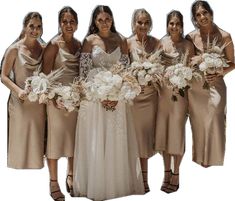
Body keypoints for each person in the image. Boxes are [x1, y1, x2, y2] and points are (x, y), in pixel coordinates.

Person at [73, 5, 144, 201]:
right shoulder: (89, 41)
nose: (104, 23)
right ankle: (96, 185)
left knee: (115, 140)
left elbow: (126, 72)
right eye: (100, 20)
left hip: (118, 99)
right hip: (95, 100)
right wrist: (100, 95)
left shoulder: (121, 40)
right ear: (94, 22)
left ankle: (117, 185)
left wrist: (117, 94)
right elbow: (84, 74)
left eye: (107, 19)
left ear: (112, 20)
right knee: (97, 140)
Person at [186, 0, 234, 167]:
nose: (202, 17)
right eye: (198, 15)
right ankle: (200, 157)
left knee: (215, 117)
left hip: (216, 84)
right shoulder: (191, 37)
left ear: (211, 13)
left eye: (204, 12)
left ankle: (213, 157)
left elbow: (233, 63)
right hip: (196, 87)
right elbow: (188, 62)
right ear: (195, 18)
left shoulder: (225, 36)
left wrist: (219, 72)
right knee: (198, 121)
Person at [41, 6, 81, 201]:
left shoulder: (79, 44)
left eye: (72, 21)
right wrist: (54, 98)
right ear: (59, 23)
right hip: (56, 100)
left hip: (75, 100)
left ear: (77, 24)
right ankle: (53, 182)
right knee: (56, 141)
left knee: (74, 139)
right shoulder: (53, 45)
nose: (68, 25)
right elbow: (44, 75)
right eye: (64, 21)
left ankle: (71, 175)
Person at [155, 10, 195, 193]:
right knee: (163, 134)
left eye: (177, 23)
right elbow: (155, 66)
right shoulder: (161, 43)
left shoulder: (188, 45)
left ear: (182, 25)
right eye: (171, 23)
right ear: (167, 25)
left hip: (180, 97)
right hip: (163, 96)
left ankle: (177, 172)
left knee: (177, 135)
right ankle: (166, 171)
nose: (174, 26)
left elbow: (192, 71)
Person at [1, 12, 46, 169]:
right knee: (20, 141)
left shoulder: (44, 49)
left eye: (38, 27)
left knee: (36, 140)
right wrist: (18, 91)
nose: (35, 30)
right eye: (31, 26)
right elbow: (3, 76)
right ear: (24, 27)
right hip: (20, 101)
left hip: (38, 103)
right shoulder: (14, 49)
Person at [127, 8, 160, 193]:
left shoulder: (156, 43)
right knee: (132, 137)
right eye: (140, 22)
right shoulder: (127, 42)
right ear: (134, 23)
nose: (143, 26)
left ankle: (144, 179)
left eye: (146, 22)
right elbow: (122, 68)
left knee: (145, 138)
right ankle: (131, 178)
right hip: (133, 97)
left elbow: (161, 67)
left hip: (150, 96)